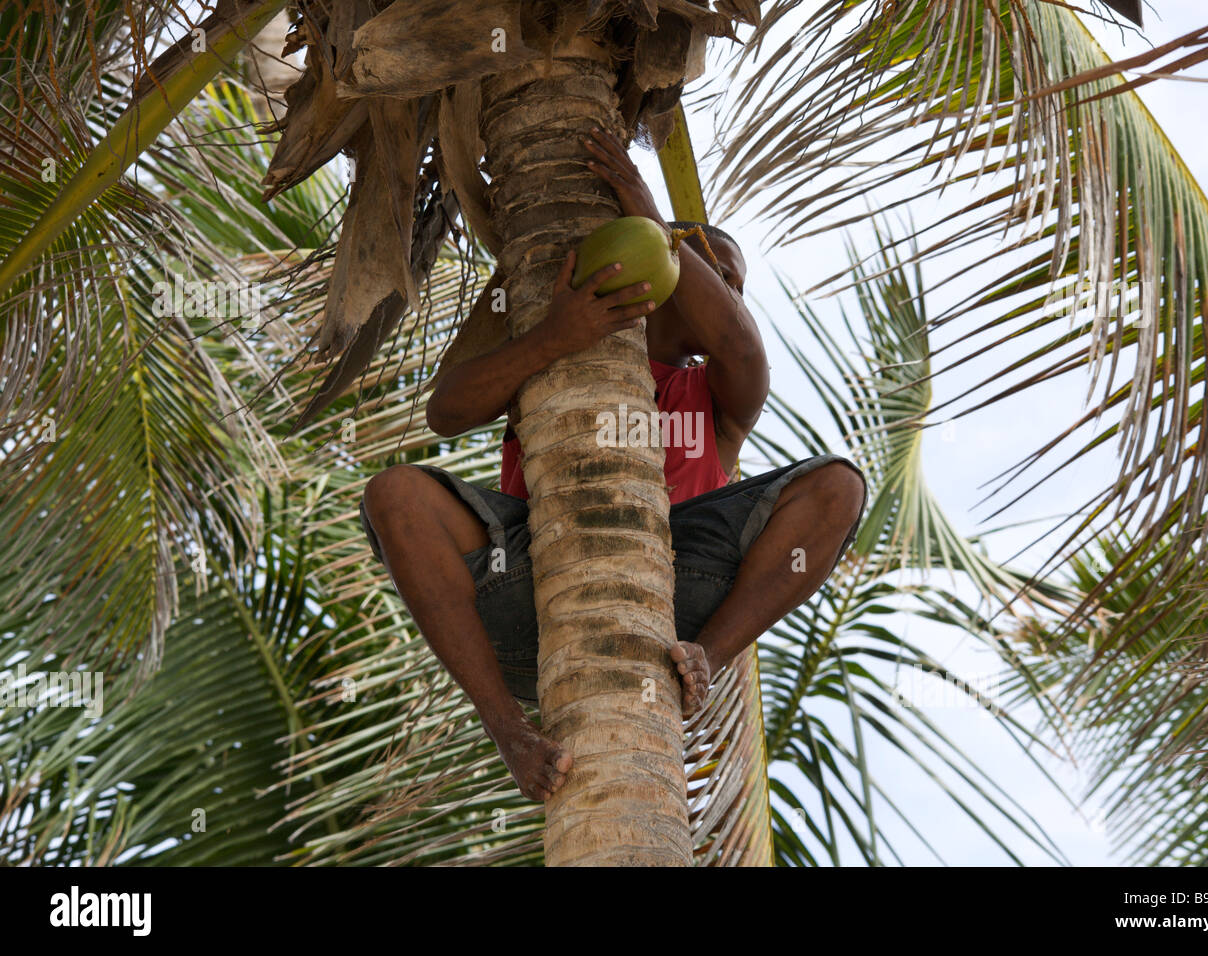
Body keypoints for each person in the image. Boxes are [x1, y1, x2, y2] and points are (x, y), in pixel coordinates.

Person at [359, 126, 867, 802]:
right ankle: (507, 729)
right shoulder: (553, 357)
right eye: (716, 272)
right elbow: (445, 412)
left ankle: (709, 658)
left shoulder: (721, 398)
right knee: (394, 496)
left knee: (839, 487)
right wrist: (552, 338)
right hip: (538, 582)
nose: (729, 294)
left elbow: (742, 349)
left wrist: (652, 215)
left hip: (680, 593)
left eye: (735, 285)